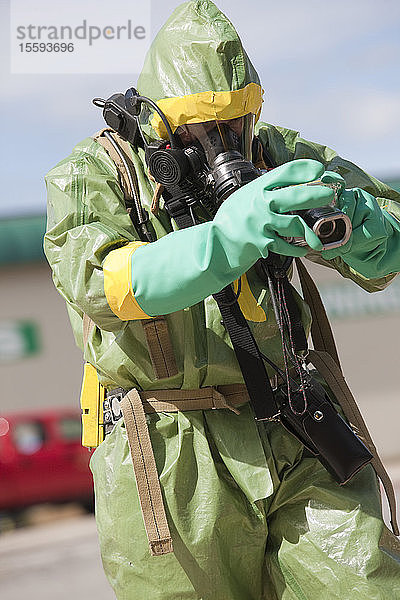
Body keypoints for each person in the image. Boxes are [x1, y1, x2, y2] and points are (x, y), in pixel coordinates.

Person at [44, 2, 400, 598]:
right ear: (158, 119)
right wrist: (224, 240)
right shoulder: (91, 174)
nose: (224, 145)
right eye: (201, 130)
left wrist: (363, 224)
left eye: (237, 124)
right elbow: (102, 285)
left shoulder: (274, 153)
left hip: (295, 425)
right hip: (166, 452)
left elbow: (391, 235)